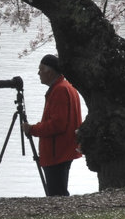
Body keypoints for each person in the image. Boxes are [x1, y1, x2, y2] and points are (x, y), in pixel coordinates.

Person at [25, 53, 84, 196]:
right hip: (64, 149)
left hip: (57, 152)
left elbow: (58, 124)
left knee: (56, 193)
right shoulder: (67, 86)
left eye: (41, 70)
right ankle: (62, 215)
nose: (38, 73)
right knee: (59, 190)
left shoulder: (60, 90)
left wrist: (32, 129)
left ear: (50, 72)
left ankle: (62, 215)